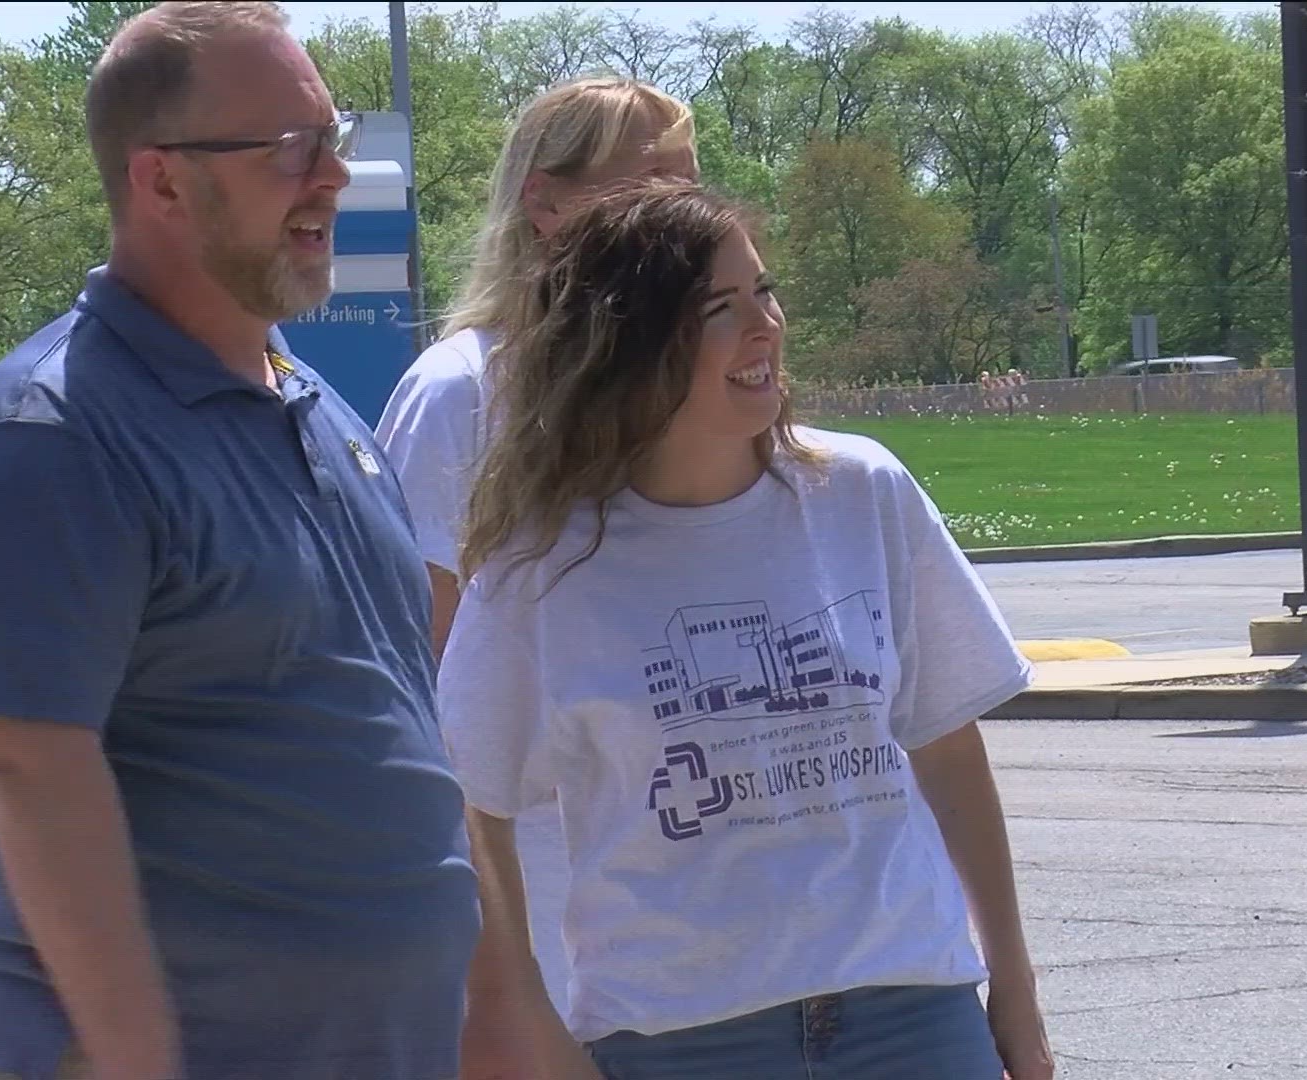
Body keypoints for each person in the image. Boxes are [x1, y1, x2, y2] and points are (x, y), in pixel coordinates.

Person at [0, 4, 477, 1078]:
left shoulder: (324, 416)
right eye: (291, 148)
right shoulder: (51, 440)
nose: (334, 177)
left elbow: (407, 733)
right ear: (161, 180)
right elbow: (26, 765)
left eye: (333, 137)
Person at [439, 180, 1056, 1080]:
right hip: (678, 1039)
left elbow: (948, 750)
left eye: (763, 292)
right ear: (630, 343)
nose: (765, 326)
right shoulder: (541, 567)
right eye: (720, 308)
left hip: (914, 1012)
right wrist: (524, 1020)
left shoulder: (862, 493)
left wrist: (1015, 983)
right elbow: (468, 809)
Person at [370, 75, 699, 1013]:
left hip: (693, 871)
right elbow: (420, 672)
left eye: (691, 181)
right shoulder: (461, 393)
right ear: (545, 203)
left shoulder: (699, 389)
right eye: (648, 180)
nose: (682, 209)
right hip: (541, 879)